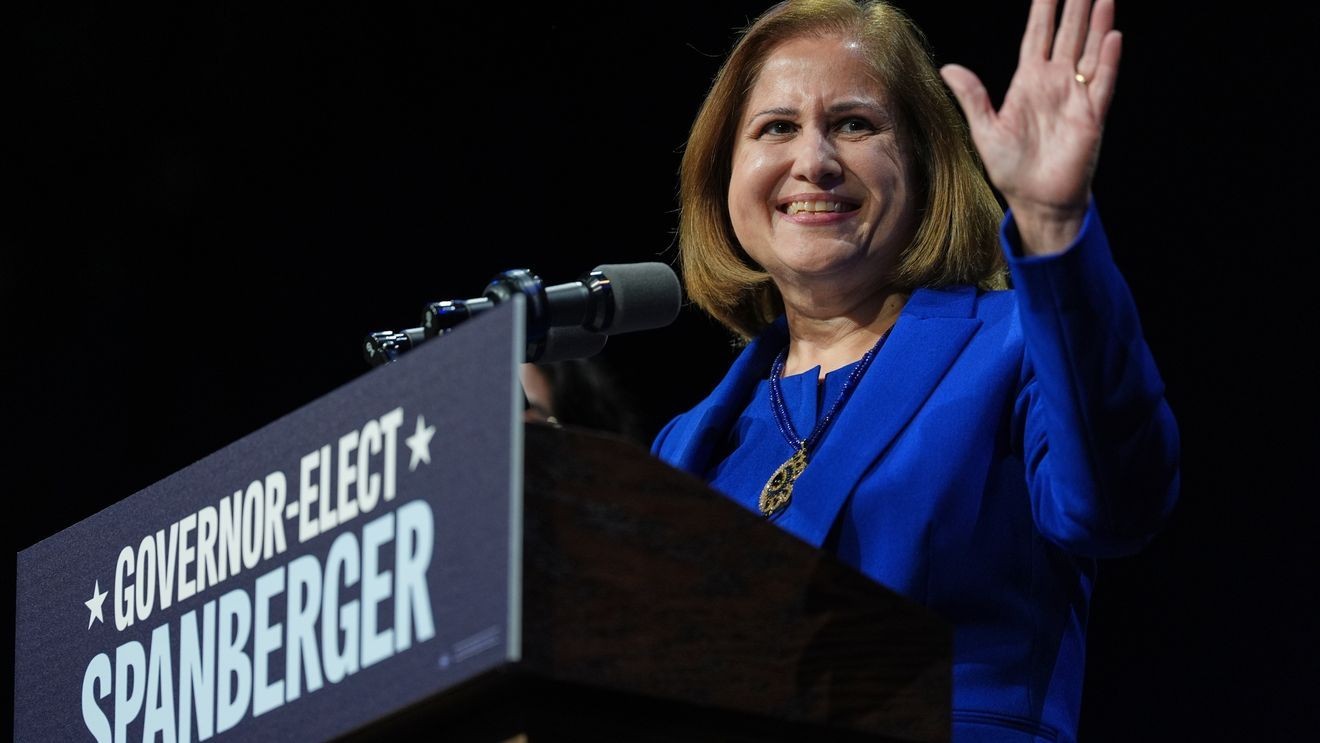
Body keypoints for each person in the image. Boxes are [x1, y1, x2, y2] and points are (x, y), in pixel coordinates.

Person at [650, 0, 1180, 740]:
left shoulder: (1019, 345)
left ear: (925, 164)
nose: (814, 162)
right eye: (776, 128)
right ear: (724, 174)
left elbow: (1115, 506)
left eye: (853, 125)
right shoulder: (683, 446)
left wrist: (1053, 226)